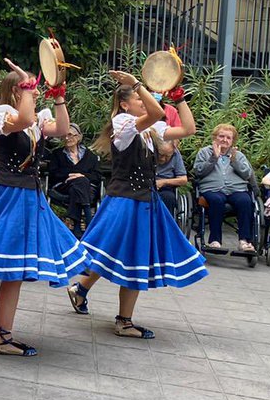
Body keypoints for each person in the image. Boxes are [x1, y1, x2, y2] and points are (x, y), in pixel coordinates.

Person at [0, 61, 84, 357]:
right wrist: (28, 91)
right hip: (10, 193)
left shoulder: (33, 119)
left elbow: (61, 128)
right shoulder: (0, 115)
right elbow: (22, 120)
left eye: (33, 86)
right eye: (28, 86)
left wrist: (58, 95)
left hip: (28, 196)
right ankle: (2, 335)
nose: (33, 90)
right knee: (9, 265)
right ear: (15, 89)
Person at [67, 73, 204, 339]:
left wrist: (180, 98)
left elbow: (189, 129)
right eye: (139, 99)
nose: (145, 102)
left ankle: (81, 289)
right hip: (126, 200)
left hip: (143, 200)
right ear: (125, 104)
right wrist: (139, 83)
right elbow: (154, 113)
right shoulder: (123, 122)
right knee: (132, 258)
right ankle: (124, 321)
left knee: (114, 252)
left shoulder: (150, 131)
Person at [192, 123, 258, 252]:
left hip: (236, 189)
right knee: (217, 200)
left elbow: (247, 174)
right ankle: (215, 240)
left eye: (228, 138)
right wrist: (213, 158)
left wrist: (235, 161)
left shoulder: (238, 155)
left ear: (233, 141)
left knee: (245, 201)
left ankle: (244, 241)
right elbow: (199, 172)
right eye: (221, 136)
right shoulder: (205, 152)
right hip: (212, 189)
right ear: (215, 137)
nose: (224, 140)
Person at [47, 123, 101, 237]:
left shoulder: (91, 156)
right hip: (64, 186)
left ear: (79, 137)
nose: (67, 138)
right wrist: (73, 175)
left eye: (71, 135)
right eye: (65, 135)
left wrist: (81, 175)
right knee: (80, 182)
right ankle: (88, 218)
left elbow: (97, 176)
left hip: (85, 188)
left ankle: (76, 225)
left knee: (80, 183)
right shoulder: (57, 154)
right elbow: (54, 173)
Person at [154, 139, 188, 217]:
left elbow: (183, 179)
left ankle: (166, 226)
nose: (163, 159)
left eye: (167, 156)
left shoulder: (176, 155)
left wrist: (164, 182)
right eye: (160, 154)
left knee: (168, 197)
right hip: (147, 185)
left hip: (166, 188)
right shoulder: (148, 152)